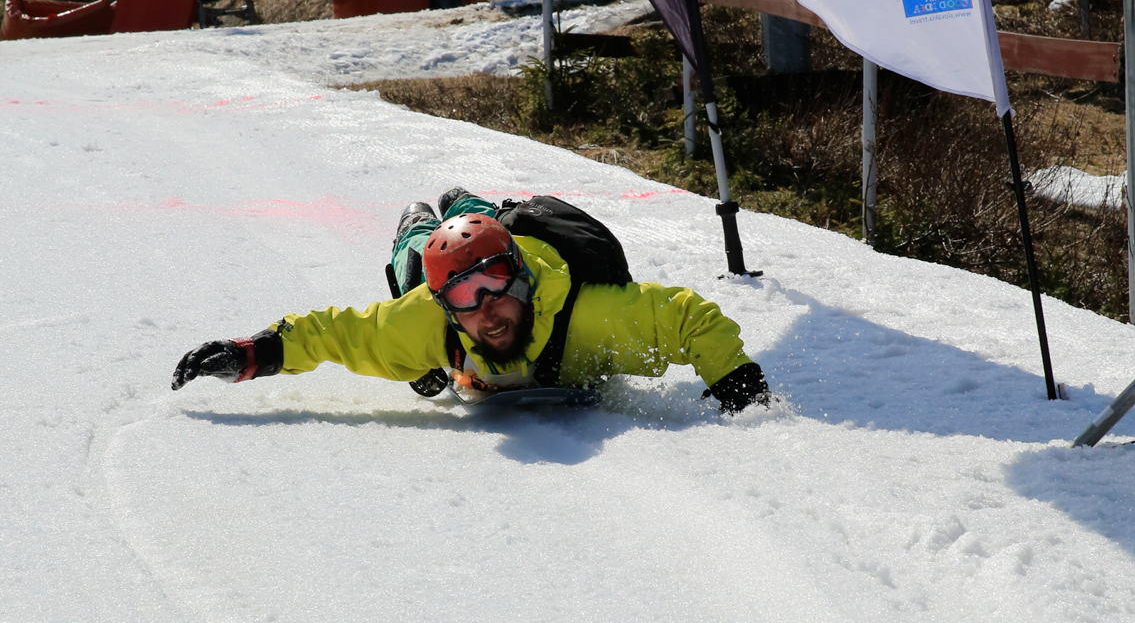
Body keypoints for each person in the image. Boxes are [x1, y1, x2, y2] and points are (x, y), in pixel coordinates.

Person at [171, 188, 771, 413]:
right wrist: (250, 353)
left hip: (519, 236)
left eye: (495, 285)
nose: (485, 309)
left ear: (521, 280)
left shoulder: (591, 314)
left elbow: (689, 318)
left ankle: (466, 206)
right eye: (463, 297)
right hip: (437, 267)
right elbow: (340, 333)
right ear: (446, 307)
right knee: (415, 264)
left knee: (476, 230)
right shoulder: (430, 321)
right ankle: (420, 223)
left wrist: (737, 385)